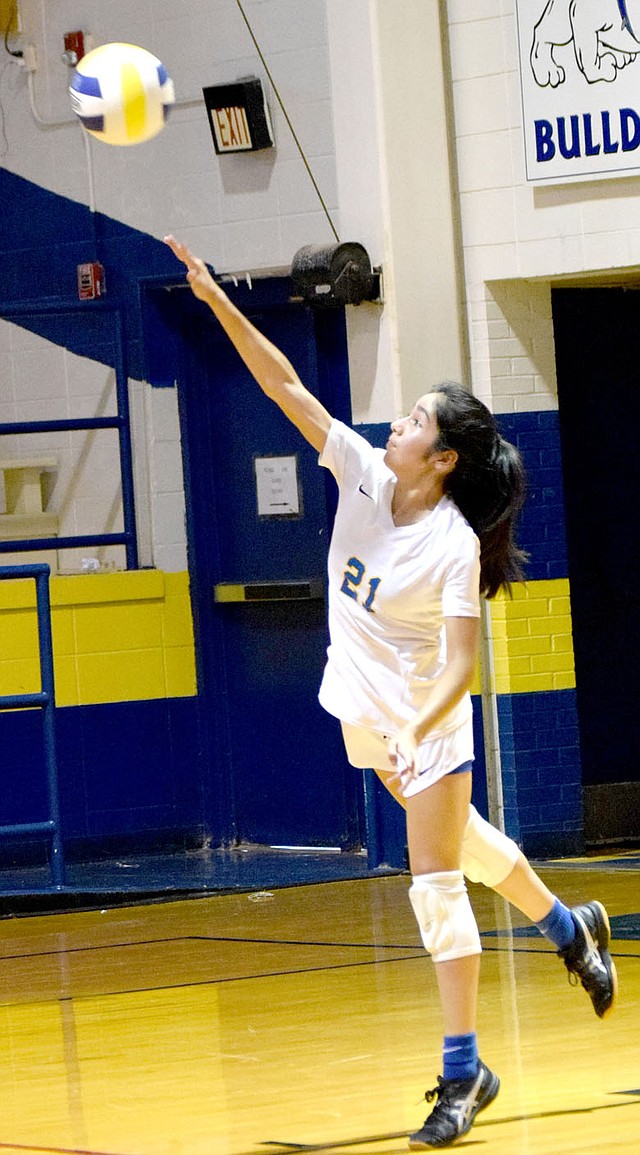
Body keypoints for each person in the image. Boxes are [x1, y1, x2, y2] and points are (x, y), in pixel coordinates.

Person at [164, 235, 617, 1150]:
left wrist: (418, 724)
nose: (396, 425)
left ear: (441, 457)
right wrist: (216, 299)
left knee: (436, 886)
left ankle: (464, 1071)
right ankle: (572, 925)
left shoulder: (451, 543)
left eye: (413, 420)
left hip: (428, 725)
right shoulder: (366, 474)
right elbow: (285, 387)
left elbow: (460, 667)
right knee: (467, 843)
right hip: (369, 722)